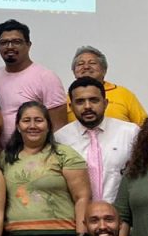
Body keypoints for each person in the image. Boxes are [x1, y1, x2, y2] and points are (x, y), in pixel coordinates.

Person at [1, 100, 90, 236]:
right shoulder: (6, 157)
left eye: (38, 120)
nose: (33, 125)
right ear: (18, 126)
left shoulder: (64, 154)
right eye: (27, 120)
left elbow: (83, 197)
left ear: (48, 125)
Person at [56, 76, 140, 205]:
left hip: (120, 213)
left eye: (94, 100)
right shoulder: (60, 139)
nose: (87, 106)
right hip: (77, 213)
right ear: (71, 107)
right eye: (80, 102)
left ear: (105, 103)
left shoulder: (130, 133)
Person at [0, 20, 68, 145]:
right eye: (4, 42)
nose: (10, 46)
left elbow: (59, 129)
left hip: (37, 153)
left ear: (28, 45)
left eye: (16, 42)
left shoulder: (46, 77)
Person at [68, 46, 147, 125]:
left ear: (104, 70)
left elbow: (144, 125)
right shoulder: (66, 99)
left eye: (92, 63)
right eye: (80, 64)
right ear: (74, 72)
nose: (86, 67)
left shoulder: (123, 94)